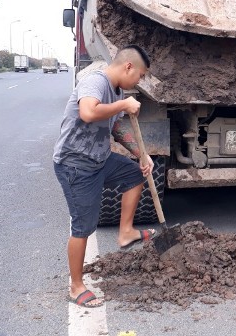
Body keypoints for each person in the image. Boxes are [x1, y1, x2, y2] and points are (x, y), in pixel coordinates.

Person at [53, 45, 156, 308]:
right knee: (83, 226)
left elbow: (117, 127)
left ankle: (126, 232)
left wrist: (141, 154)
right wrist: (123, 104)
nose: (139, 82)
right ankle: (76, 287)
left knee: (134, 175)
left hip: (100, 159)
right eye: (140, 76)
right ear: (128, 67)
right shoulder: (95, 82)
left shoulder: (118, 90)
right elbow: (88, 113)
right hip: (76, 164)